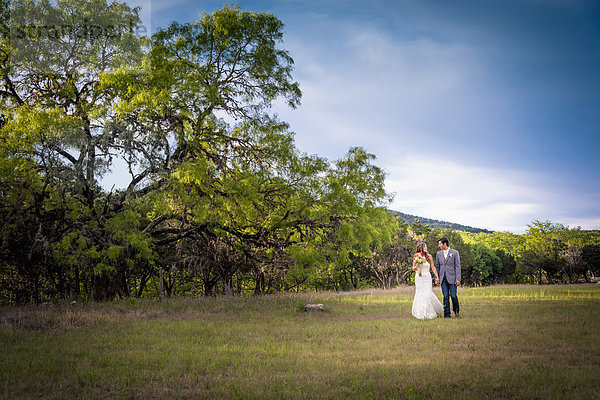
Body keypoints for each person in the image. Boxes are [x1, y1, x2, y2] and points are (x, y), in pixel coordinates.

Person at [411, 242, 443, 320]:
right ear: (420, 248)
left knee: (428, 293)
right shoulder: (416, 256)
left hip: (427, 277)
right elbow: (413, 268)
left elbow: (433, 267)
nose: (426, 248)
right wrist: (417, 267)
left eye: (426, 247)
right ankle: (421, 312)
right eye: (424, 247)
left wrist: (437, 276)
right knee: (420, 293)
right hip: (419, 278)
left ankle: (431, 311)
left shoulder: (429, 257)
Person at [435, 236, 461, 318]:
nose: (439, 246)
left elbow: (457, 266)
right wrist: (436, 277)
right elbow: (437, 267)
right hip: (443, 278)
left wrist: (458, 279)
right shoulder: (438, 254)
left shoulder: (455, 253)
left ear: (445, 244)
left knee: (453, 295)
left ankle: (456, 311)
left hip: (452, 278)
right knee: (445, 296)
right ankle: (447, 315)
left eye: (440, 244)